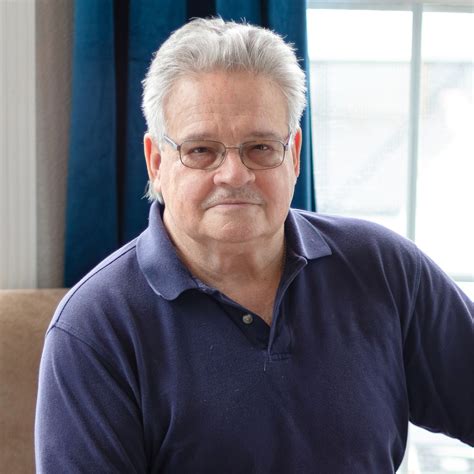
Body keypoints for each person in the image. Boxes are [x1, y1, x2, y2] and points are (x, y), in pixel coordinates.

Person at [35, 17, 473, 473]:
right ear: (156, 162)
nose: (234, 175)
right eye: (201, 150)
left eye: (260, 147)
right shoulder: (93, 330)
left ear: (294, 154)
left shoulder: (383, 269)